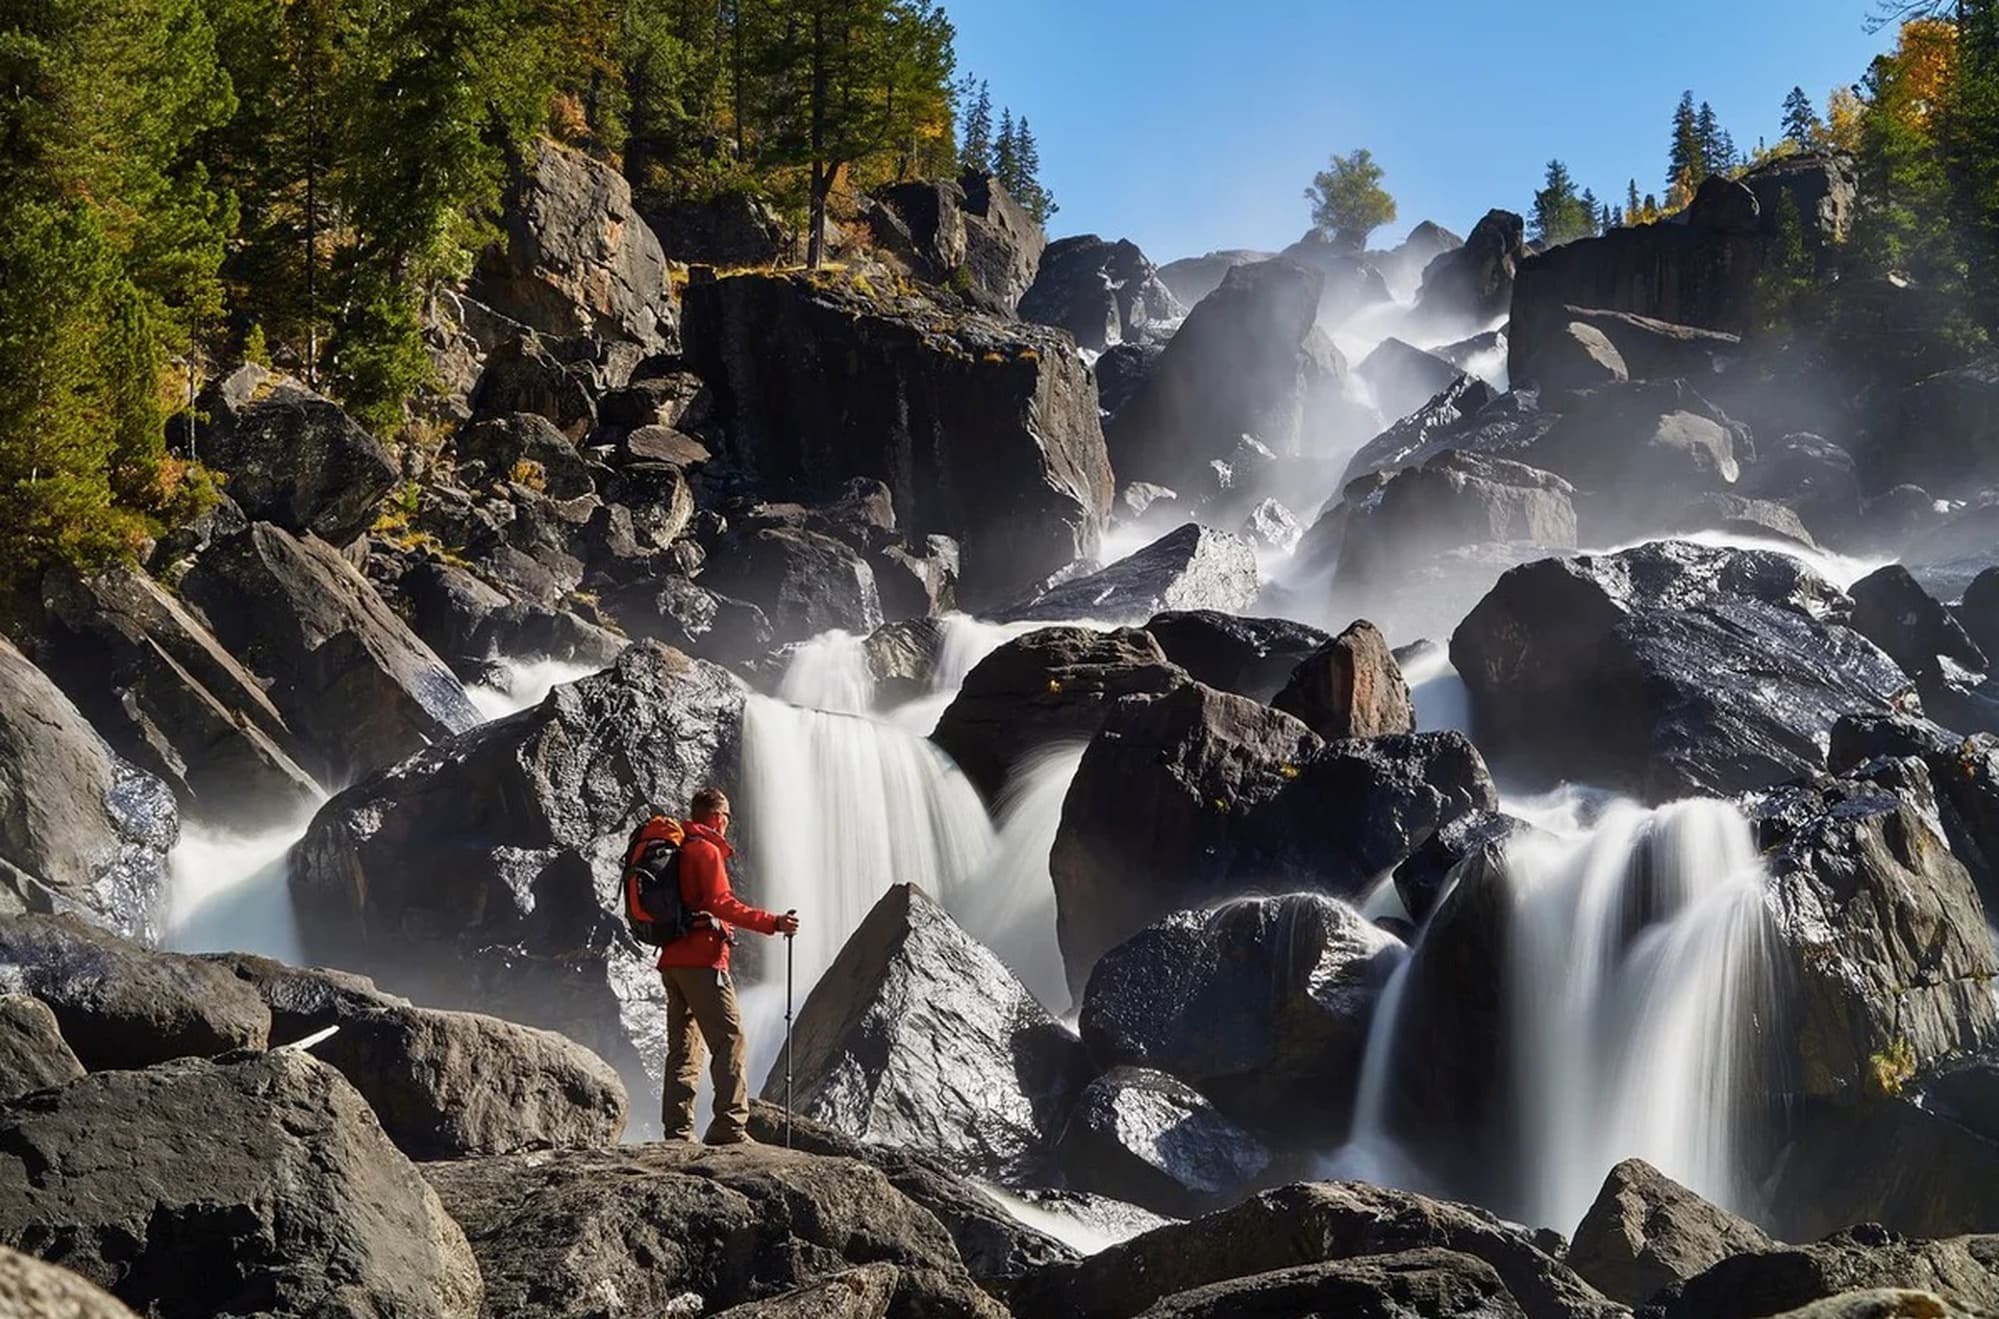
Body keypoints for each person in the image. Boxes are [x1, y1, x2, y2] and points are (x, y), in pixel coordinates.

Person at [657, 786, 800, 1144]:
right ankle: (730, 1125)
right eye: (727, 817)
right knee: (730, 1039)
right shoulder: (705, 850)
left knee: (684, 1048)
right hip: (703, 959)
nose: (727, 824)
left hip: (673, 960)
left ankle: (678, 1131)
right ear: (718, 817)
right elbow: (722, 903)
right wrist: (774, 922)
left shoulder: (678, 849)